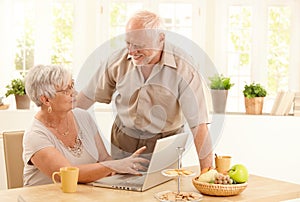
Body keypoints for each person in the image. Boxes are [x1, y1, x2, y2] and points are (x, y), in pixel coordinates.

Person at [76, 10, 213, 172]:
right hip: (123, 141)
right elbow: (85, 98)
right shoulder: (116, 61)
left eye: (140, 46)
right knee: (121, 192)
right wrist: (52, 126)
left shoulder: (184, 68)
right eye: (128, 43)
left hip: (165, 143)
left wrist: (208, 173)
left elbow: (199, 125)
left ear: (161, 38)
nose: (132, 51)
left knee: (163, 192)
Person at [23, 64, 149, 186]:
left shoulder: (83, 117)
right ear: (46, 100)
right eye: (66, 90)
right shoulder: (34, 136)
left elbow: (104, 158)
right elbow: (66, 174)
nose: (75, 93)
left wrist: (124, 168)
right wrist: (113, 166)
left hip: (82, 195)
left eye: (71, 85)